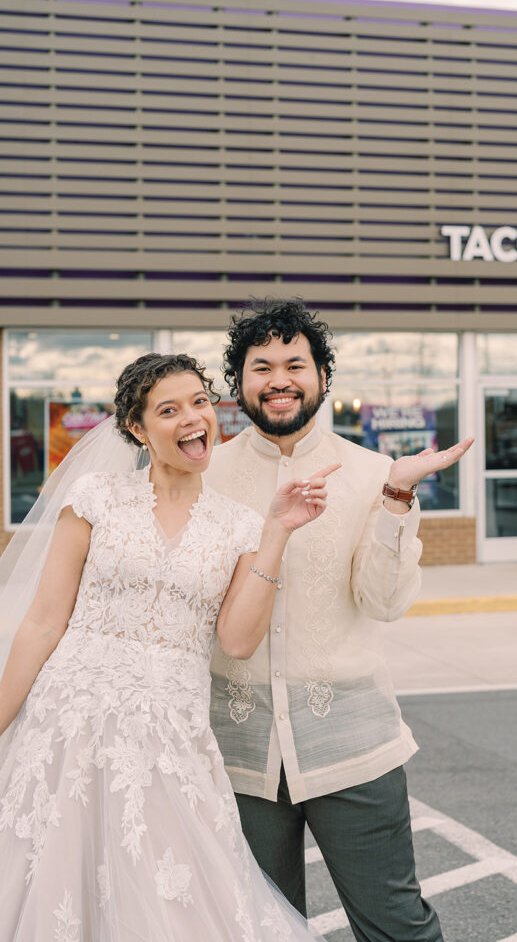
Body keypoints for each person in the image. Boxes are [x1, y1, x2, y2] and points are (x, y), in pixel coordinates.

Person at [0, 351, 337, 942]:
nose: (192, 418)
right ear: (137, 428)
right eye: (169, 409)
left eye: (200, 402)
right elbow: (42, 624)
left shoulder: (238, 525)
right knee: (54, 890)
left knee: (176, 896)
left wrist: (277, 533)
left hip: (168, 736)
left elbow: (236, 639)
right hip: (67, 726)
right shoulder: (96, 497)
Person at [206, 299, 474, 942]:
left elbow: (384, 603)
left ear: (322, 377)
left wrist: (396, 499)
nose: (279, 379)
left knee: (396, 927)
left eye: (295, 363)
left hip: (352, 745)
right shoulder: (206, 476)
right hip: (234, 751)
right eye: (261, 365)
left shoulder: (374, 473)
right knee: (258, 930)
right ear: (238, 382)